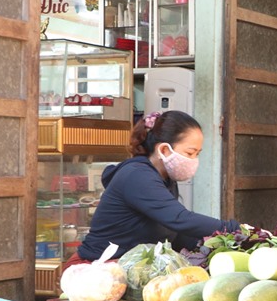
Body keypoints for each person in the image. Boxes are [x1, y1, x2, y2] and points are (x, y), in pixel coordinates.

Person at [69, 111, 240, 268]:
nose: (194, 160)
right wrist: (235, 229)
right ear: (164, 149)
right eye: (190, 153)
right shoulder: (137, 176)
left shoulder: (165, 178)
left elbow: (175, 231)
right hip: (95, 269)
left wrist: (212, 247)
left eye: (197, 154)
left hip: (129, 268)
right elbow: (179, 219)